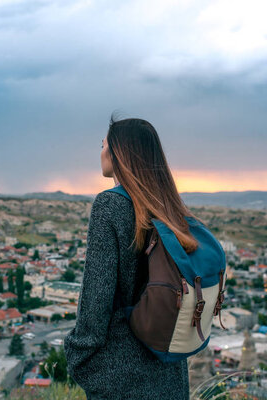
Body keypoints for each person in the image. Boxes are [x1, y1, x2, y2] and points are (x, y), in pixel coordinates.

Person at [63, 116, 196, 399]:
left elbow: (95, 300)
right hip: (169, 365)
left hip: (120, 371)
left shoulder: (109, 205)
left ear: (119, 154)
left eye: (104, 145)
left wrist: (78, 356)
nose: (100, 152)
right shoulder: (169, 207)